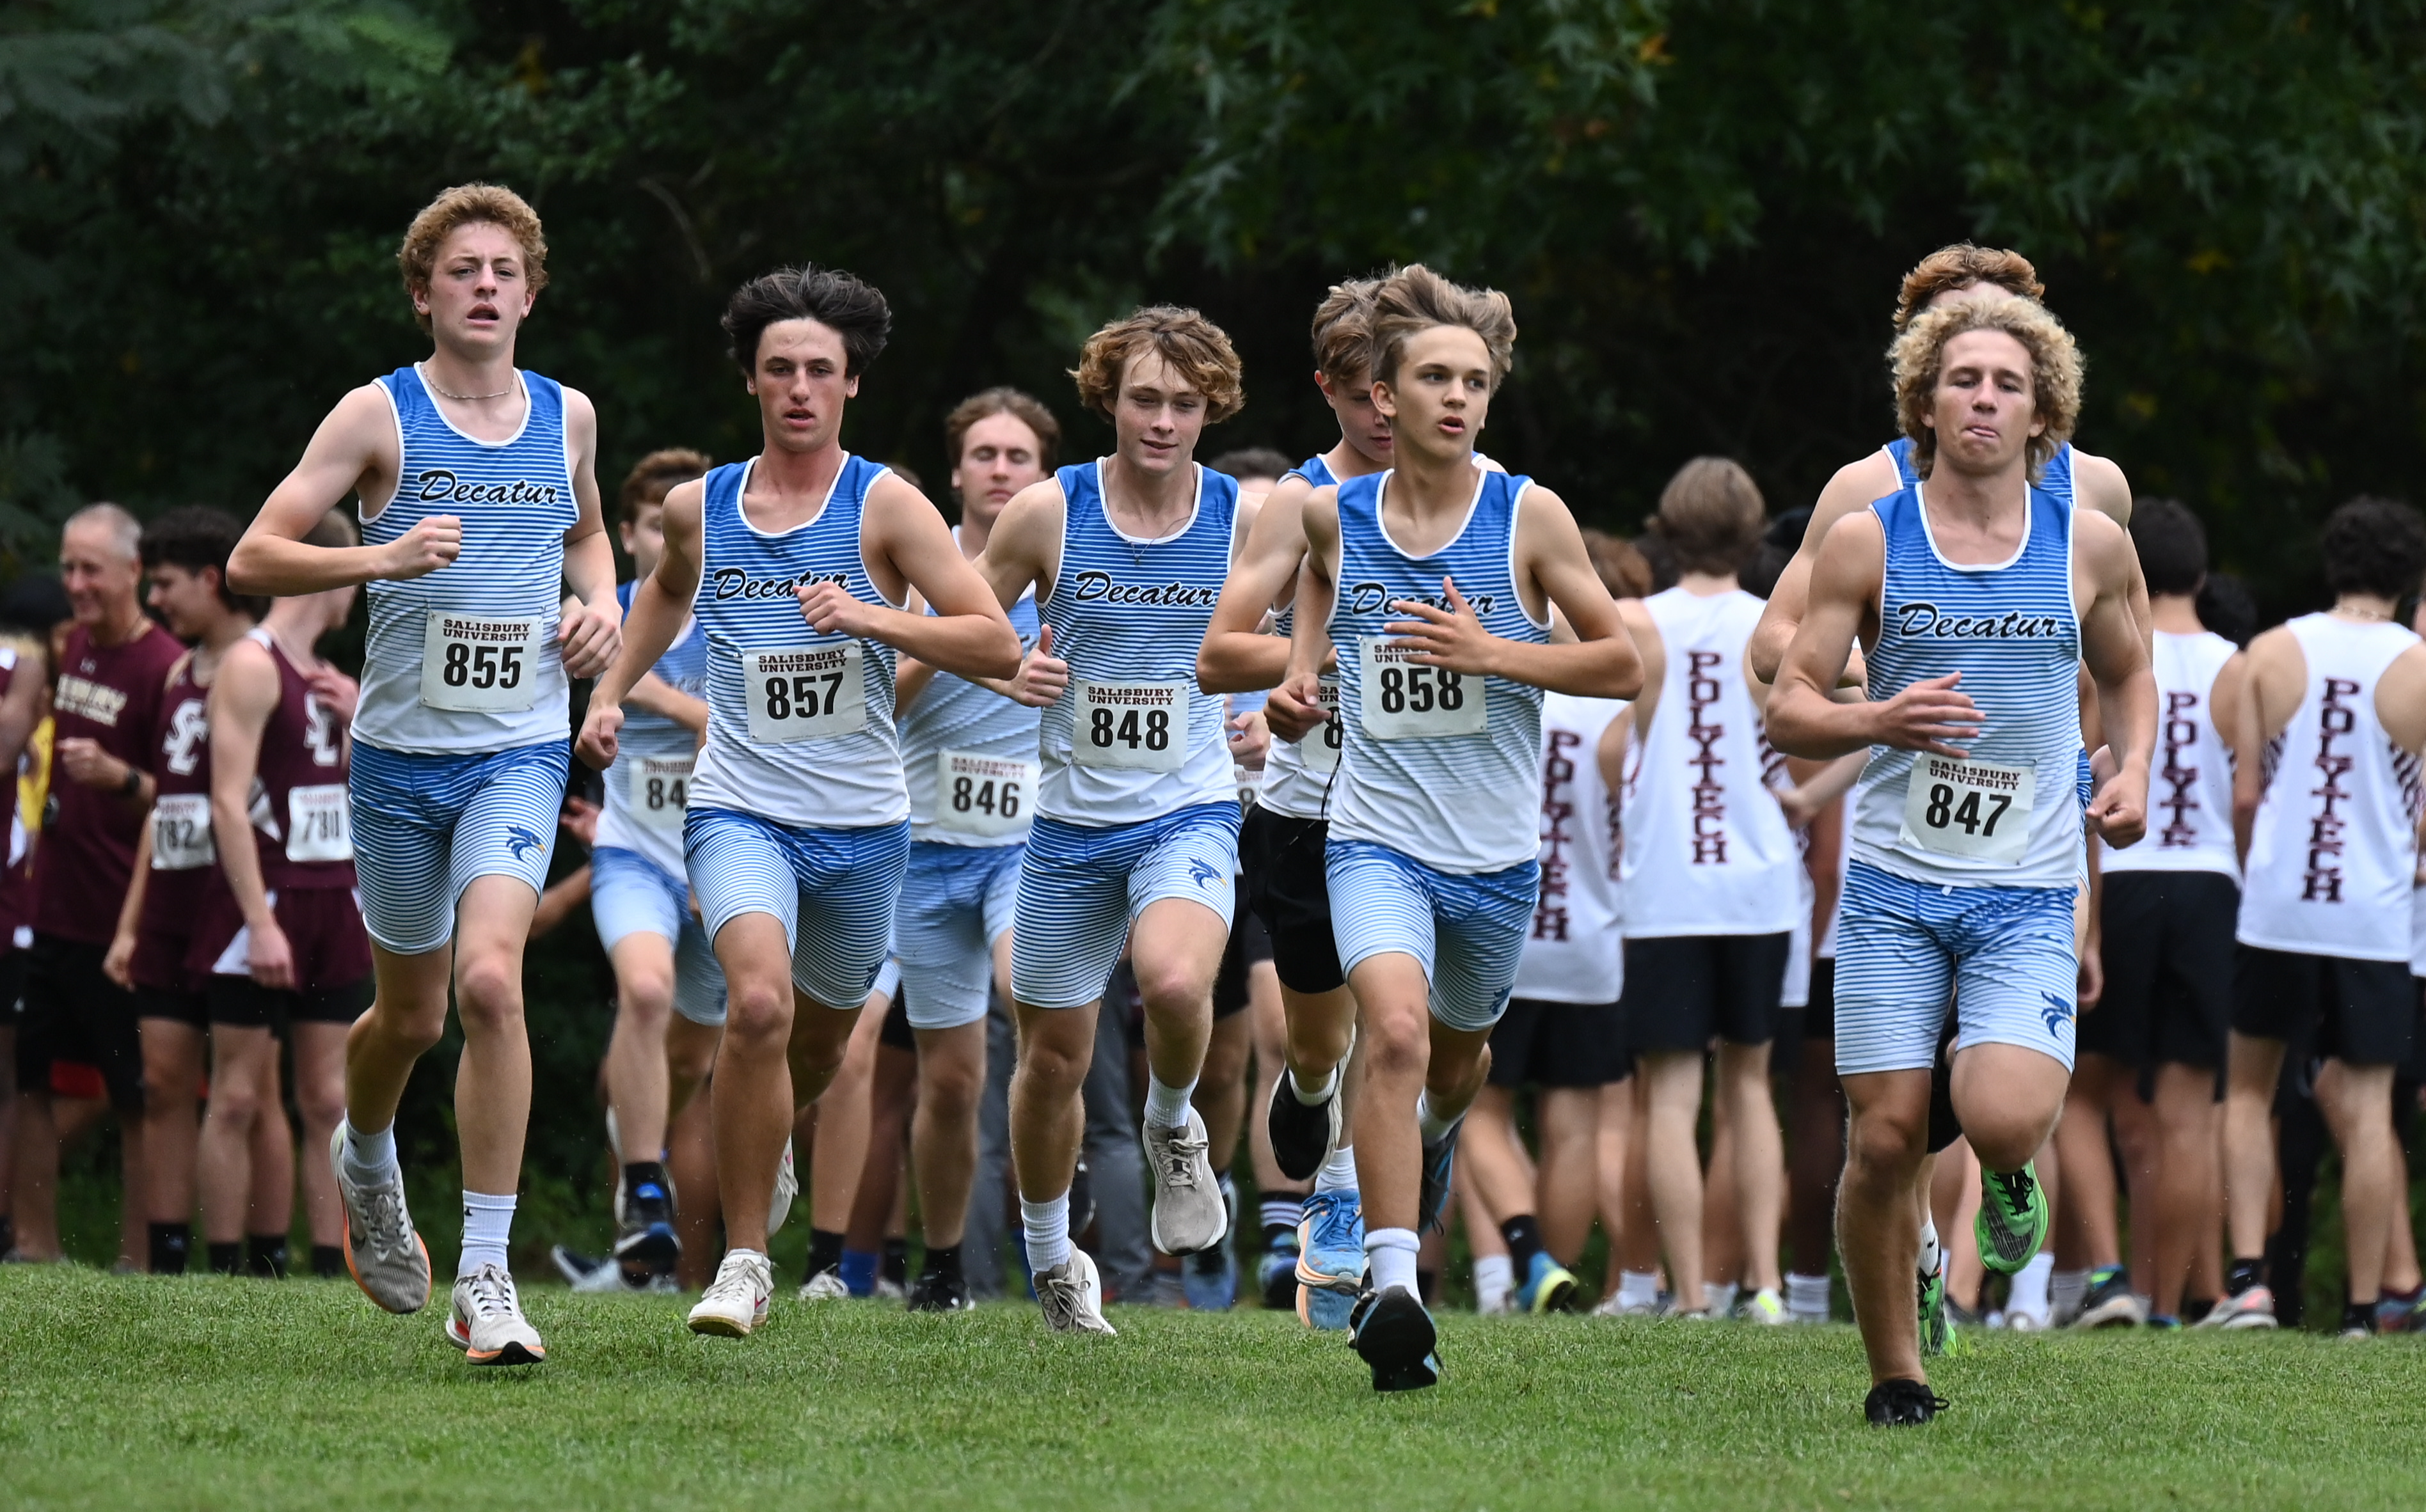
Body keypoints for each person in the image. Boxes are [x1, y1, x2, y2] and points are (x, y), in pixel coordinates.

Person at [576, 265, 1019, 1339]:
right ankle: (741, 1261)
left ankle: (770, 1136)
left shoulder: (888, 505)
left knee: (817, 1046)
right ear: (751, 381)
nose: (799, 388)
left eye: (820, 369)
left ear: (851, 384)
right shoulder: (701, 505)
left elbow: (994, 640)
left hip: (864, 823)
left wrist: (875, 620)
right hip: (739, 807)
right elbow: (668, 592)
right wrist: (609, 685)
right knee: (758, 1008)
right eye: (779, 368)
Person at [229, 183, 624, 1365]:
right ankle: (366, 1152)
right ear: (424, 292)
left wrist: (599, 606)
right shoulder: (378, 416)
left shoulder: (570, 418)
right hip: (401, 760)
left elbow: (591, 533)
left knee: (492, 984)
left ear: (533, 293)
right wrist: (381, 550)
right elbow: (255, 552)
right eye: (463, 270)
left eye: (506, 269)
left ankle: (487, 1276)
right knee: (410, 1012)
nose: (486, 286)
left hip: (519, 746)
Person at [1767, 293, 2152, 1424]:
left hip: (2028, 892)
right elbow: (1790, 704)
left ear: (2043, 416)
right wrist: (1874, 721)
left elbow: (2129, 670)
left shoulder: (2086, 541)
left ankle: (2014, 1177)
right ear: (1923, 404)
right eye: (1962, 380)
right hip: (1891, 890)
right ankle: (1898, 1372)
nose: (1982, 399)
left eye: (2007, 384)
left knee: (1994, 1116)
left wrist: (2126, 769)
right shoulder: (1863, 537)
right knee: (1883, 1135)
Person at [1278, 264, 1643, 1389]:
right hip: (1373, 833)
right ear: (1382, 392)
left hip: (1491, 854)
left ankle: (1427, 1145)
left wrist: (1494, 652)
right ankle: (1393, 1286)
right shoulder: (1327, 513)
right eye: (1434, 376)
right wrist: (1297, 678)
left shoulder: (1524, 513)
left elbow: (1621, 660)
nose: (1456, 397)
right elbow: (1301, 605)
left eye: (1474, 381)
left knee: (1453, 1058)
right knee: (1385, 1032)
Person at [974, 304, 1253, 1335]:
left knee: (1177, 979)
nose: (1164, 421)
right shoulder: (1049, 510)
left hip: (1187, 804)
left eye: (1185, 403)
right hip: (1068, 829)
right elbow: (966, 624)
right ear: (1108, 398)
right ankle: (1054, 1258)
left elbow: (1293, 637)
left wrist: (1269, 715)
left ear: (1212, 408)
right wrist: (1012, 664)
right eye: (1145, 398)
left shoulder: (1242, 517)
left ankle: (1174, 1123)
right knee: (1051, 1060)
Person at [1198, 278, 1397, 1327]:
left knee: (1399, 1021)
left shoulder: (1482, 492)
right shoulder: (1293, 502)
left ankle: (1348, 1199)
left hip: (1426, 805)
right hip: (1307, 798)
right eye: (1362, 392)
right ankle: (1314, 1102)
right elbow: (1218, 648)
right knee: (1319, 1035)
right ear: (1329, 389)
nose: (1385, 412)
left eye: (1395, 388)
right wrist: (1304, 662)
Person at [2208, 497, 2426, 1335]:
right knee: (2370, 1111)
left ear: (2330, 564)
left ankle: (2248, 1282)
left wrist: (2257, 863)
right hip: (2373, 917)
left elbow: (2247, 793)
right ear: (2406, 577)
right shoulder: (2417, 664)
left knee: (2250, 1091)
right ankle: (2368, 1308)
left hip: (2278, 909)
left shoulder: (2270, 652)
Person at [1749, 241, 2137, 689]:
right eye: (1954, 330)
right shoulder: (1867, 488)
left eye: (2001, 325)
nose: (1980, 339)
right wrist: (1878, 671)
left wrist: (2125, 750)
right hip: (1917, 753)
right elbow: (1770, 644)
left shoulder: (2097, 485)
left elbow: (2133, 642)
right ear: (1923, 361)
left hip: (2060, 760)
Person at [1615, 459, 1801, 1324]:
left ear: (1668, 526)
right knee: (1752, 1089)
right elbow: (1866, 730)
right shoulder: (1779, 625)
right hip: (1760, 884)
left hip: (1664, 887)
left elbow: (1617, 750)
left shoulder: (1636, 624)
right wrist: (1807, 797)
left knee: (1672, 1097)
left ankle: (1689, 1293)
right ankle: (1761, 1285)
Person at [887, 386, 1059, 1311]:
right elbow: (883, 708)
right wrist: (971, 647)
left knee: (1030, 1004)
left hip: (1030, 845)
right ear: (956, 472)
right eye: (985, 455)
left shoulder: (1073, 573)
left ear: (1043, 476)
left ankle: (1051, 1247)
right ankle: (945, 1263)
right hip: (924, 849)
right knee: (950, 1083)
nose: (1000, 471)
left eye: (1018, 458)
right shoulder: (920, 572)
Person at [2057, 498, 2246, 1328]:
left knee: (2081, 1097)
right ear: (2201, 577)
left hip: (2128, 879)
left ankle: (2106, 1276)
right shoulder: (2239, 664)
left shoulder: (2110, 659)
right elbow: (2248, 791)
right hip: (2210, 885)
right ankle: (2170, 1301)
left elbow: (2089, 782)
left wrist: (2086, 917)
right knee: (2189, 1114)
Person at [184, 508, 371, 1280]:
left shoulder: (336, 679)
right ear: (322, 571)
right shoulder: (253, 665)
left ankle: (332, 1267)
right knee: (235, 1095)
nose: (360, 588)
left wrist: (360, 726)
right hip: (263, 900)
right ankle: (227, 1267)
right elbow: (226, 800)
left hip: (336, 895)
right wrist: (259, 922)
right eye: (354, 570)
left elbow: (367, 796)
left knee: (330, 1097)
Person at [1461, 533, 1642, 1314]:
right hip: (1590, 944)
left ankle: (1529, 1262)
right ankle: (1551, 1274)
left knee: (1474, 1108)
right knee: (1573, 1124)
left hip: (1502, 932)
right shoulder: (1621, 707)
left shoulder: (1504, 683)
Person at [10, 505, 184, 1265]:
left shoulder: (165, 667)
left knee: (134, 1093)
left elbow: (185, 795)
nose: (74, 585)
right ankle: (33, 1245)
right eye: (68, 567)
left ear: (132, 573)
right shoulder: (72, 649)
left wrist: (123, 780)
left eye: (90, 570)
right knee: (32, 1080)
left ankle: (139, 1255)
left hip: (126, 916)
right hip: (52, 905)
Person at [105, 509, 266, 1277]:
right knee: (164, 1079)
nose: (157, 600)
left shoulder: (264, 667)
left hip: (236, 899)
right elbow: (163, 809)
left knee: (249, 1090)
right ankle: (169, 1256)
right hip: (171, 899)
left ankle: (255, 1259)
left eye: (166, 584)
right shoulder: (176, 675)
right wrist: (131, 924)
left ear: (212, 579)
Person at [579, 447, 722, 1281]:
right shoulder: (613, 613)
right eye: (655, 527)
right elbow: (606, 670)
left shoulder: (743, 613)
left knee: (688, 1069)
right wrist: (683, 707)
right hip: (636, 853)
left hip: (724, 858)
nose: (673, 541)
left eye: (687, 526)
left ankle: (674, 1262)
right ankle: (641, 1192)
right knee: (643, 991)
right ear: (628, 535)